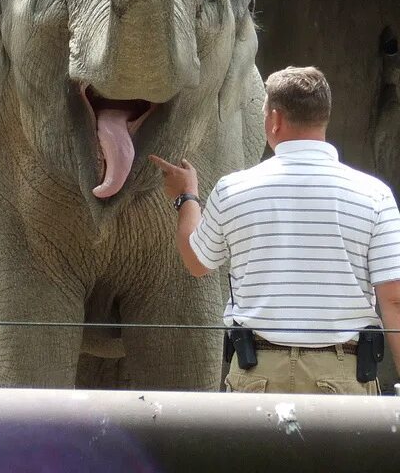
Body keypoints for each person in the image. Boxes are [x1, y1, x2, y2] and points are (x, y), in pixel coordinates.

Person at [150, 66, 400, 394]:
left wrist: (186, 197)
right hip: (344, 377)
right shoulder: (374, 194)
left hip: (257, 375)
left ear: (275, 119)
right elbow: (393, 298)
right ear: (323, 116)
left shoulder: (232, 189)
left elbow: (197, 261)